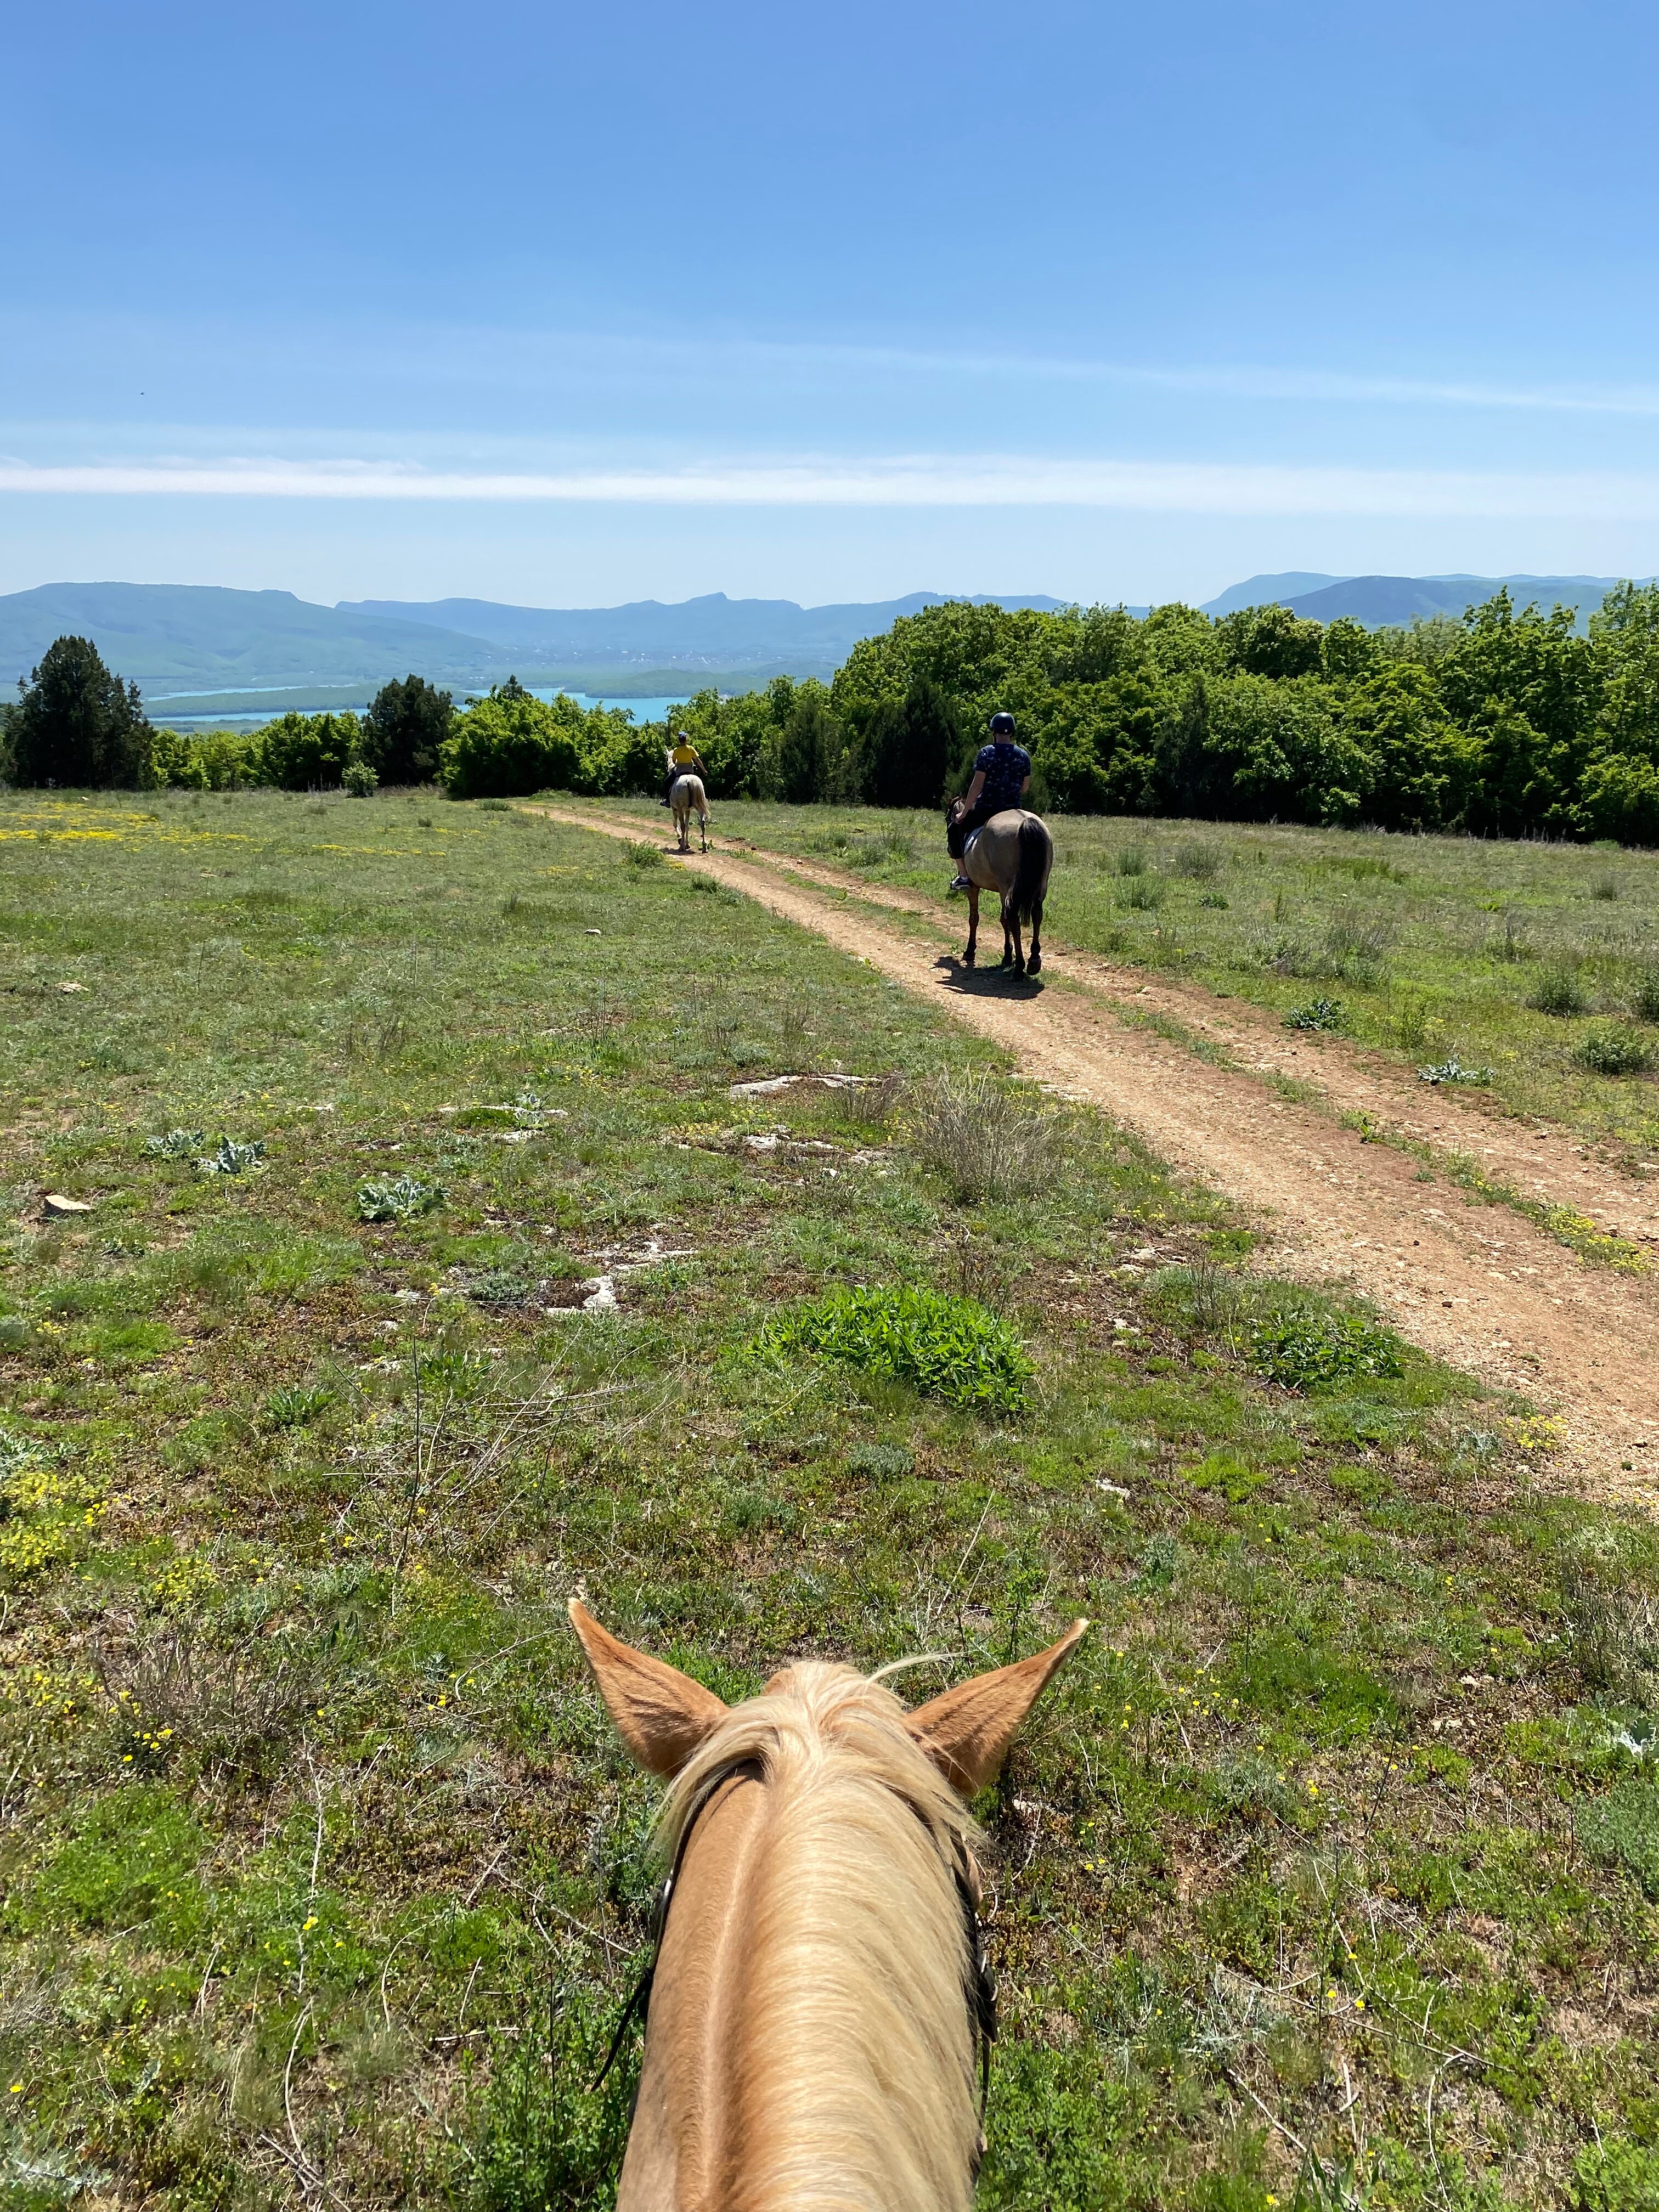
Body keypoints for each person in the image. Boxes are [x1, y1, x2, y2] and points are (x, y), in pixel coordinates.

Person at [948, 710, 1032, 889]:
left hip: (988, 808)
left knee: (954, 828)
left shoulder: (987, 753)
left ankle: (963, 876)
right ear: (1012, 732)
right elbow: (1025, 788)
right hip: (1013, 809)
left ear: (994, 731)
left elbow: (977, 786)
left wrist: (964, 812)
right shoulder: (1023, 755)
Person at [663, 731, 705, 806]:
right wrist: (704, 770)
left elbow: (673, 761)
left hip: (679, 771)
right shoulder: (691, 748)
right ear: (686, 740)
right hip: (690, 771)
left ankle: (667, 801)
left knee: (666, 782)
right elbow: (698, 760)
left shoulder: (676, 750)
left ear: (679, 741)